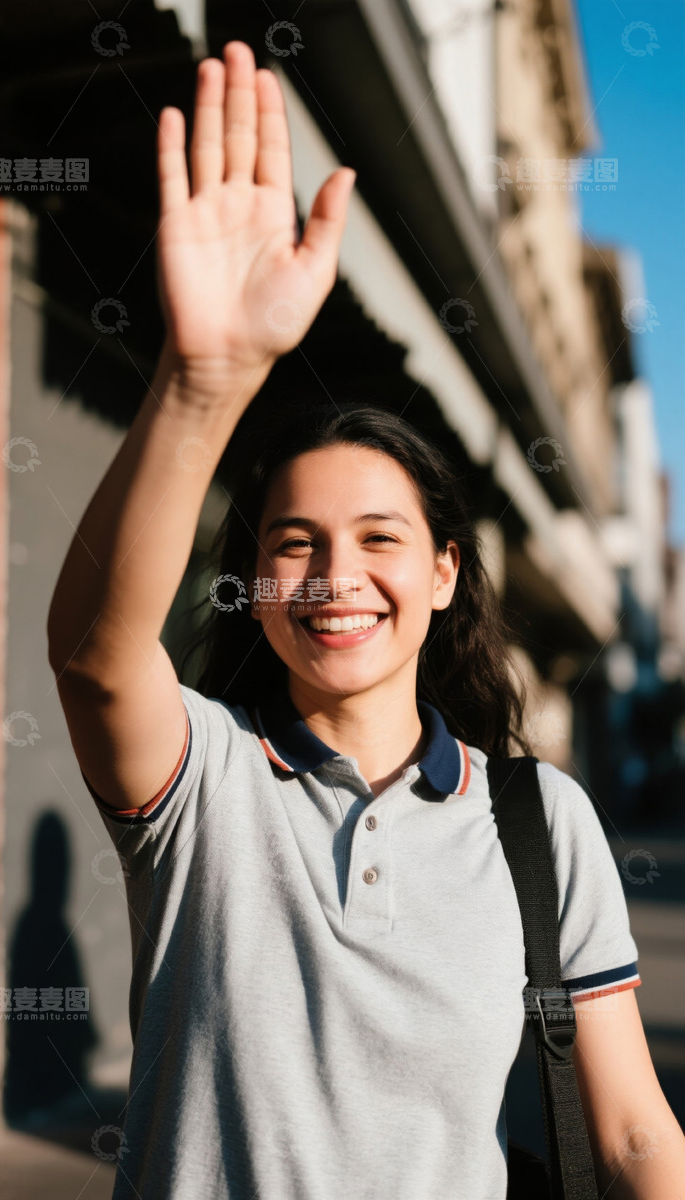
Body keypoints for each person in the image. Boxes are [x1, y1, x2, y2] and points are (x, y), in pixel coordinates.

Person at [47, 39, 685, 1200]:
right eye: (293, 543)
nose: (334, 575)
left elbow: (634, 1134)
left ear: (443, 573)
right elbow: (96, 658)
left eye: (379, 539)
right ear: (255, 580)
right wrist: (202, 380)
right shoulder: (204, 781)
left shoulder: (539, 822)